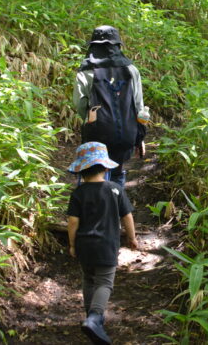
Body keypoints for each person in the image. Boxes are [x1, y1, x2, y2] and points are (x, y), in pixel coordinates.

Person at [67, 141, 139, 345]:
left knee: (89, 279)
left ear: (81, 171)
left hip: (84, 245)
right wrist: (131, 238)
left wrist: (72, 244)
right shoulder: (115, 189)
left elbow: (73, 221)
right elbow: (127, 217)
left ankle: (91, 318)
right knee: (105, 282)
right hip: (107, 245)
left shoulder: (78, 194)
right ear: (106, 167)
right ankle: (95, 318)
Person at [74, 25, 150, 187]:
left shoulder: (86, 71)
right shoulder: (131, 69)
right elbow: (139, 106)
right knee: (117, 172)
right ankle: (116, 204)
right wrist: (140, 137)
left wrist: (89, 121)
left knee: (94, 174)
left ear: (93, 46)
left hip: (96, 132)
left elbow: (80, 103)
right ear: (117, 45)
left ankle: (93, 207)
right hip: (125, 132)